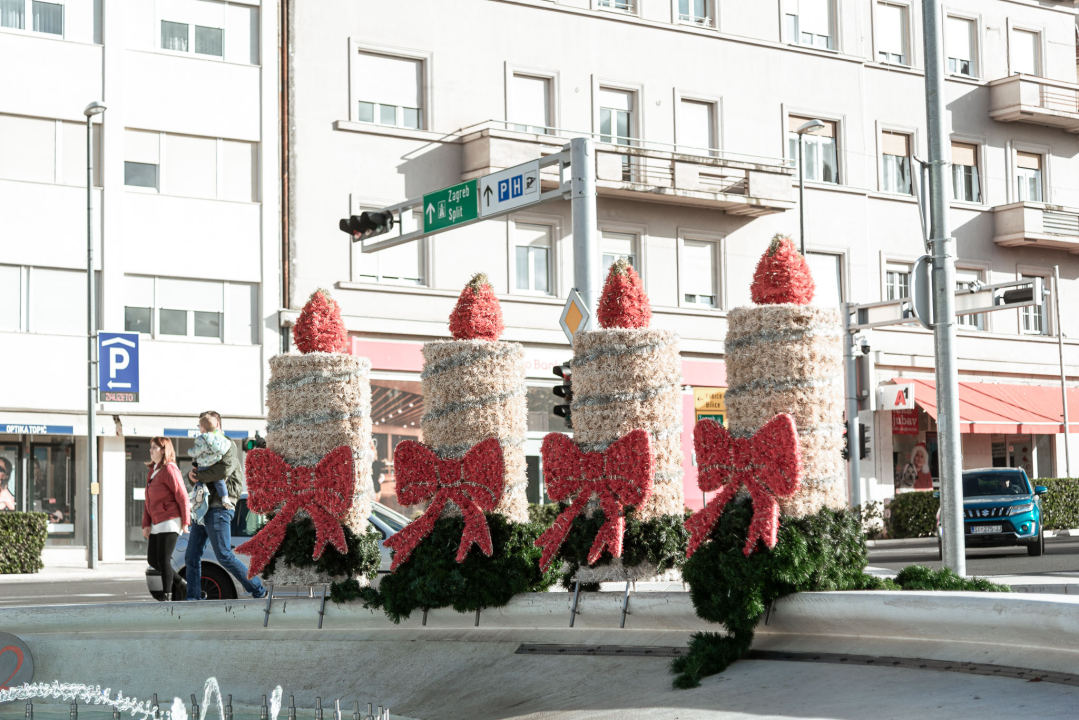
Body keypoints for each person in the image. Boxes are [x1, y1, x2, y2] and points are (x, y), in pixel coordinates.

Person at [184, 411, 266, 600]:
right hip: (202, 508)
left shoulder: (227, 446)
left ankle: (257, 589)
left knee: (224, 556)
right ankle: (192, 598)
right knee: (191, 556)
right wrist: (192, 477)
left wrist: (199, 475)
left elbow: (221, 472)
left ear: (217, 426)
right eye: (200, 427)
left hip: (220, 507)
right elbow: (199, 474)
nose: (201, 430)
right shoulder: (202, 446)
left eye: (203, 426)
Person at [141, 437, 190, 600]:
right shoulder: (153, 471)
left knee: (163, 560)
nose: (151, 450)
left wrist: (186, 521)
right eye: (151, 447)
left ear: (163, 450)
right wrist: (146, 523)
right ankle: (182, 584)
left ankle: (167, 596)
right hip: (157, 522)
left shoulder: (170, 469)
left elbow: (182, 495)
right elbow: (148, 501)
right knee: (153, 560)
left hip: (170, 519)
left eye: (154, 447)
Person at [188, 417, 235, 512]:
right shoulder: (221, 439)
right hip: (214, 463)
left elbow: (196, 451)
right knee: (219, 481)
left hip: (203, 465)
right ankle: (225, 497)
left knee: (199, 480)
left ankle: (197, 497)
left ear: (203, 428)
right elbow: (224, 448)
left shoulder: (201, 439)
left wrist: (190, 452)